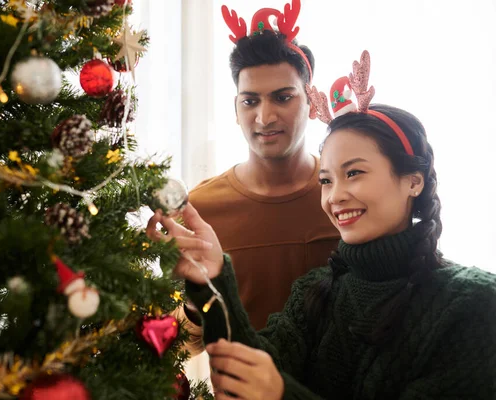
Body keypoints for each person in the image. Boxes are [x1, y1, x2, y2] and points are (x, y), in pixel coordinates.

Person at [149, 51, 496, 399]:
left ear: (413, 181)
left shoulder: (473, 304)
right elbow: (253, 367)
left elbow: (272, 386)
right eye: (327, 181)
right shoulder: (317, 292)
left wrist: (283, 394)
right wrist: (212, 278)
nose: (335, 196)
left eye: (355, 173)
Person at [174, 1, 339, 354]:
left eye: (283, 97)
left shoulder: (347, 196)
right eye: (250, 101)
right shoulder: (200, 211)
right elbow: (180, 346)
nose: (265, 117)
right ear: (235, 110)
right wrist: (195, 302)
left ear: (311, 102)